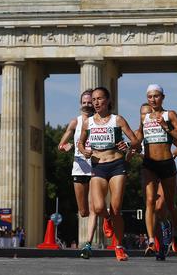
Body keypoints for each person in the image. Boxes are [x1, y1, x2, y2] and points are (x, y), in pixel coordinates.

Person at [78, 86, 139, 262]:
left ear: (108, 101)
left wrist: (126, 145)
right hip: (98, 166)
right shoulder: (88, 122)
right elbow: (81, 144)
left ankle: (118, 246)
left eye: (100, 99)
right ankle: (107, 219)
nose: (96, 102)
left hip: (117, 165)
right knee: (98, 207)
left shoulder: (117, 120)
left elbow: (135, 141)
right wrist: (85, 151)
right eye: (94, 99)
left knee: (116, 208)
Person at [135, 84, 177, 260]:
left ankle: (175, 231)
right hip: (149, 164)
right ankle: (151, 241)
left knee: (168, 203)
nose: (153, 100)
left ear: (163, 97)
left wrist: (167, 127)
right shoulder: (145, 116)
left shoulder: (169, 114)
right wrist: (129, 145)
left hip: (166, 163)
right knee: (150, 201)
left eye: (156, 96)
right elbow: (139, 136)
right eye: (150, 97)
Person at [57, 89, 99, 259]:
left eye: (90, 102)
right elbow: (62, 144)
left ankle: (88, 244)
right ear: (81, 103)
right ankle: (104, 216)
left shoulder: (100, 122)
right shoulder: (75, 122)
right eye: (85, 102)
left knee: (95, 207)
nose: (88, 104)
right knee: (83, 211)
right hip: (79, 168)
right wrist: (65, 147)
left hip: (97, 168)